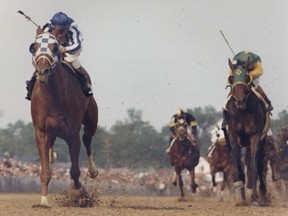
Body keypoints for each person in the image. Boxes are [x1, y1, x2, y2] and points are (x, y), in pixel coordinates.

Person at [25, 11, 92, 100]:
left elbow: (78, 46)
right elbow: (41, 43)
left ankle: (84, 84)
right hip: (53, 48)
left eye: (62, 32)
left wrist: (65, 49)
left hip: (70, 49)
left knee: (73, 60)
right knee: (43, 61)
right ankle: (32, 84)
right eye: (57, 31)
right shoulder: (47, 28)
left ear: (67, 28)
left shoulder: (74, 30)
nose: (59, 35)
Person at [222, 51, 273, 142]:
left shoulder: (256, 61)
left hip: (251, 80)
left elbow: (260, 71)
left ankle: (267, 103)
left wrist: (247, 74)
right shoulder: (235, 61)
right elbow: (231, 74)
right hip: (239, 82)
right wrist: (239, 75)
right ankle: (225, 120)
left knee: (257, 89)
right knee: (226, 102)